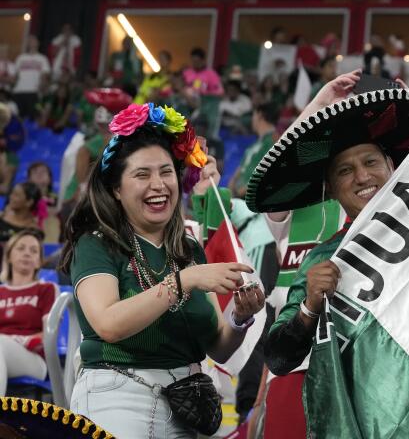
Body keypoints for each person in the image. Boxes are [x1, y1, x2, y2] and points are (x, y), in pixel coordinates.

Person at [247, 70, 409, 436]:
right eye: (345, 170)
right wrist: (309, 306)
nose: (362, 177)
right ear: (332, 190)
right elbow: (278, 356)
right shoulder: (325, 256)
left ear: (393, 169)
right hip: (357, 419)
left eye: (371, 163)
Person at [58, 102, 265, 438]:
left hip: (186, 403)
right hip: (116, 398)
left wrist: (239, 318)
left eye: (166, 171)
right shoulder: (96, 244)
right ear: (116, 189)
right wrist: (185, 280)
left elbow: (219, 347)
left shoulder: (189, 249)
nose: (159, 184)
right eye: (142, 174)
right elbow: (108, 324)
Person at [0, 230, 57, 396]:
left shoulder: (46, 289)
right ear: (9, 256)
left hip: (33, 358)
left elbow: (49, 334)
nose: (26, 253)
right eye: (21, 248)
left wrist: (20, 339)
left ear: (39, 261)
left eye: (33, 251)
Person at [229, 103, 279, 199]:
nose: (252, 119)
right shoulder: (253, 146)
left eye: (253, 115)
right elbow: (239, 171)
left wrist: (241, 192)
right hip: (237, 197)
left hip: (251, 198)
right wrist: (231, 190)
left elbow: (268, 172)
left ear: (260, 115)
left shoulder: (273, 140)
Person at [12, 35, 50, 120]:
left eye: (33, 40)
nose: (31, 42)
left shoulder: (42, 59)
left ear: (38, 43)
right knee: (17, 118)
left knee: (32, 118)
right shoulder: (20, 58)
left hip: (33, 92)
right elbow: (15, 76)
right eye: (29, 40)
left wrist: (43, 86)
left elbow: (45, 76)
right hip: (19, 91)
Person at [0, 183, 44, 250]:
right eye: (12, 193)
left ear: (29, 202)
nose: (11, 197)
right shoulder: (1, 217)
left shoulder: (33, 231)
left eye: (16, 195)